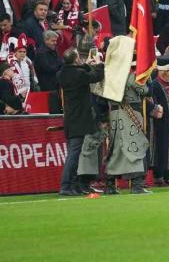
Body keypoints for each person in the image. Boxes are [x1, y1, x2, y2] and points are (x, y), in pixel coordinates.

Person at [56, 48, 104, 196]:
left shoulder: (61, 73)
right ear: (76, 59)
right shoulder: (79, 74)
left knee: (74, 153)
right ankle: (66, 186)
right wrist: (99, 64)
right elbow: (96, 76)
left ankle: (73, 185)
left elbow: (79, 72)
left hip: (71, 118)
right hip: (80, 119)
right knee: (74, 154)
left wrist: (85, 64)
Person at [106, 60, 154, 194]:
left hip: (114, 115)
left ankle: (110, 185)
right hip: (130, 114)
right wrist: (147, 79)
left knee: (116, 150)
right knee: (135, 149)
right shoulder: (131, 77)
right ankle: (137, 185)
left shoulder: (110, 76)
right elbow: (145, 91)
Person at [149, 56, 169, 186]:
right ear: (166, 72)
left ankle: (167, 176)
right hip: (162, 125)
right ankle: (159, 177)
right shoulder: (156, 85)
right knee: (161, 150)